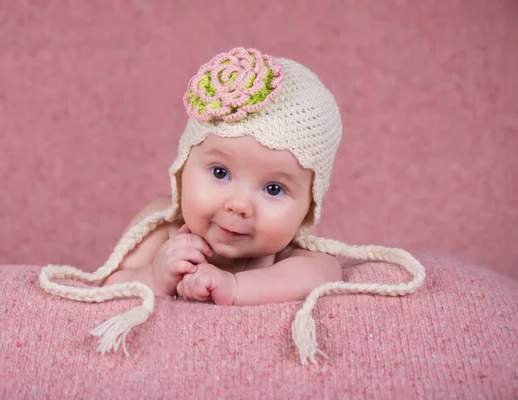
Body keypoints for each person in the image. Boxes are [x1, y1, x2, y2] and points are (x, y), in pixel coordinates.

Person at [39, 47, 426, 365]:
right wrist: (156, 275)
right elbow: (113, 285)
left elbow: (324, 272)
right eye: (220, 172)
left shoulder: (287, 254)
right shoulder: (163, 228)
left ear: (307, 208)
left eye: (274, 188)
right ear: (182, 169)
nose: (240, 205)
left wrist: (235, 286)